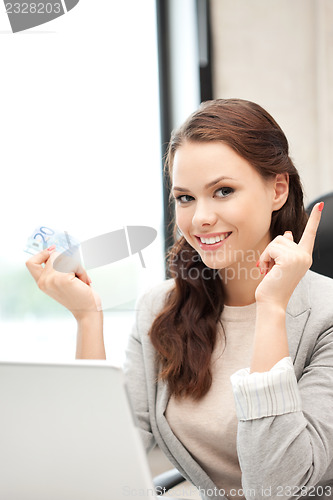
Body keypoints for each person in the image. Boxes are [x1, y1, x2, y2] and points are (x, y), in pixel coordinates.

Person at [26, 99, 333, 500]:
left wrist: (272, 309)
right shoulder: (160, 308)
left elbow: (279, 487)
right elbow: (102, 457)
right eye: (185, 197)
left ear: (277, 189)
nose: (200, 217)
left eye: (223, 191)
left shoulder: (324, 316)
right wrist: (87, 317)